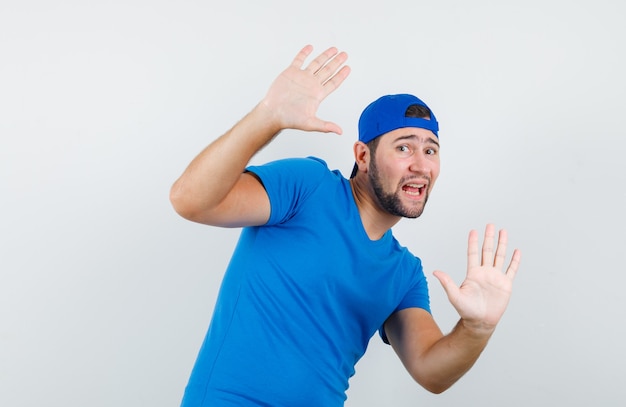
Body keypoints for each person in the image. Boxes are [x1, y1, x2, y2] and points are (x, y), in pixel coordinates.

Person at [169, 44, 521, 407]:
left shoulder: (404, 273)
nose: (421, 165)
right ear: (363, 156)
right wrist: (267, 116)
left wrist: (477, 329)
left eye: (430, 150)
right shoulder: (309, 186)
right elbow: (190, 200)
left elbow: (432, 371)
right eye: (404, 148)